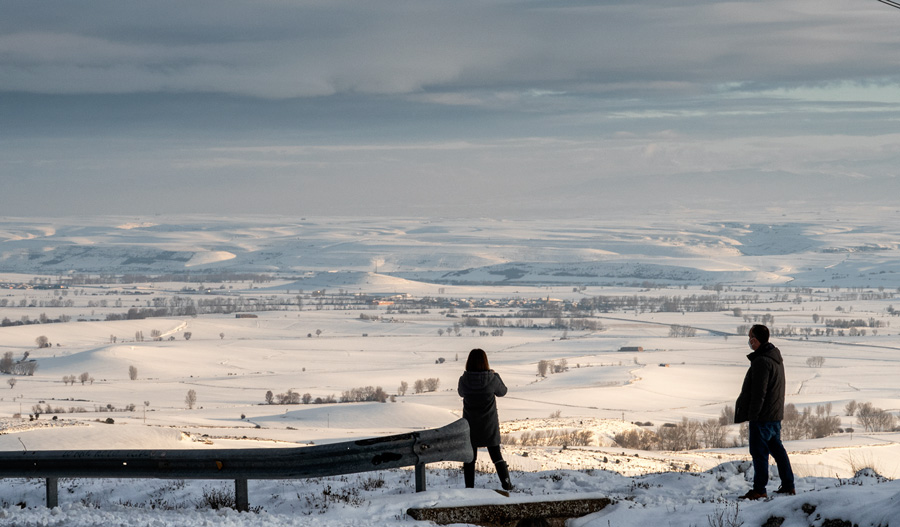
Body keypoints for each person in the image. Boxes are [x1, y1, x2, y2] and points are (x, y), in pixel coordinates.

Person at [735, 324, 795, 500]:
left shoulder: (762, 361)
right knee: (777, 450)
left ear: (756, 339)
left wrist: (753, 415)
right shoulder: (774, 357)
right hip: (774, 414)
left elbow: (758, 392)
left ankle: (759, 489)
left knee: (759, 453)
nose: (749, 341)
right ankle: (788, 485)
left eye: (750, 337)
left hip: (763, 416)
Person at [458, 348, 512, 490]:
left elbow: (461, 393)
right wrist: (496, 375)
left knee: (470, 458)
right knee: (496, 456)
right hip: (489, 425)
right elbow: (503, 391)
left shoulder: (464, 380)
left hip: (470, 426)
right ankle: (506, 484)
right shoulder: (492, 379)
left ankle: (469, 488)